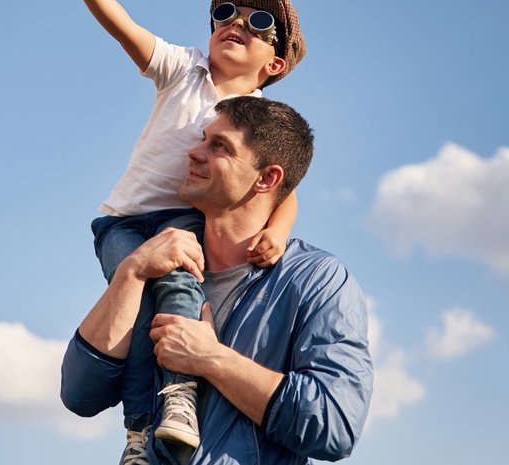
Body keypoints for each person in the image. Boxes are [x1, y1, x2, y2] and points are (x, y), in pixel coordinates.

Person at [42, 0, 308, 461]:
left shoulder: (259, 120)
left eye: (258, 24)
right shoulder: (183, 69)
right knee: (138, 304)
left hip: (184, 218)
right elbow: (124, 28)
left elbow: (285, 190)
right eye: (226, 13)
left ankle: (175, 401)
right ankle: (141, 426)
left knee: (179, 295)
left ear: (275, 64)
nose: (236, 23)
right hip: (124, 222)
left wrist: (276, 234)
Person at [61, 97, 373, 465]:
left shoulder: (318, 281)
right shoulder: (157, 266)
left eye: (219, 146)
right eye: (203, 139)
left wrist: (210, 358)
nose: (194, 152)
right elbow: (80, 395)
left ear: (267, 178)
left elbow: (334, 426)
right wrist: (131, 273)